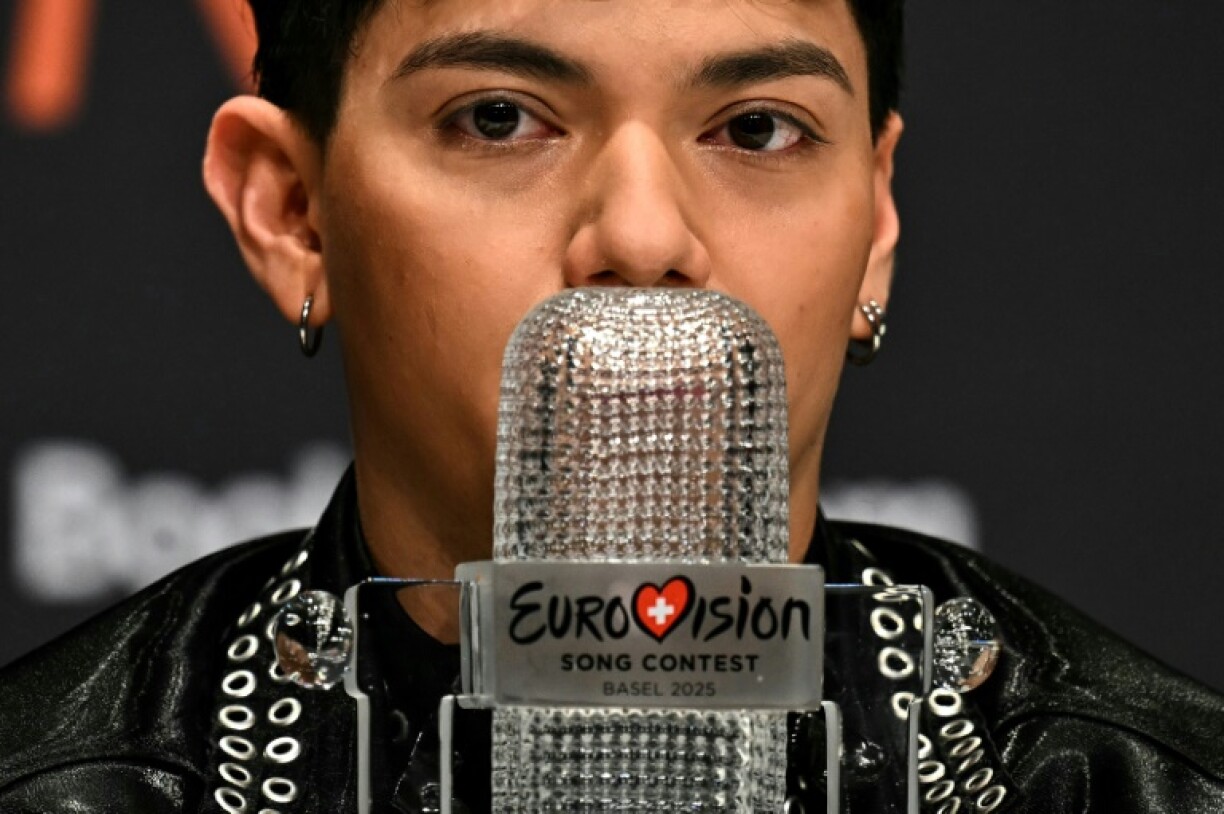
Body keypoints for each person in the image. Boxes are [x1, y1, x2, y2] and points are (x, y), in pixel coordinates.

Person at [0, 1, 1221, 812]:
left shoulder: (1138, 781)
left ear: (879, 223)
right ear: (292, 211)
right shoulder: (62, 782)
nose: (642, 237)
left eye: (757, 128)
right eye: (498, 118)